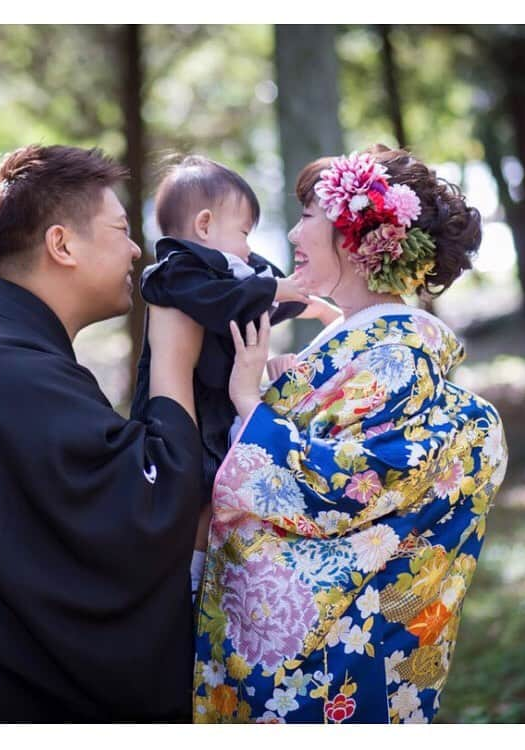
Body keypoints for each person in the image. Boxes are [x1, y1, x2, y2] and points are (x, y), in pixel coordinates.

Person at [0, 144, 213, 722]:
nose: (135, 249)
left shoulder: (1, 350)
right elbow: (146, 511)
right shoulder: (5, 369)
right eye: (121, 229)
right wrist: (174, 357)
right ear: (62, 244)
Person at [192, 146, 508, 724]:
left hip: (331, 662)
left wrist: (246, 402)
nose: (291, 230)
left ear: (357, 239)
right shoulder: (365, 348)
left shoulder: (391, 358)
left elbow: (338, 489)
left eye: (309, 214)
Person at [129, 156, 337, 598]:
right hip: (180, 417)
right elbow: (225, 301)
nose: (248, 248)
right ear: (204, 226)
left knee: (217, 495)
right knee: (193, 497)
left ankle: (205, 580)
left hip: (215, 408)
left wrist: (306, 302)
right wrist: (273, 289)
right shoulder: (174, 271)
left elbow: (250, 298)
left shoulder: (227, 273)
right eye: (244, 233)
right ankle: (185, 583)